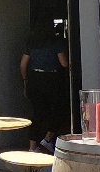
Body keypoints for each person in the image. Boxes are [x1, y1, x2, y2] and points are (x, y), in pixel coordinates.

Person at [20, 20, 70, 153]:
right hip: (51, 79)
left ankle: (32, 147)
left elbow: (23, 64)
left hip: (34, 79)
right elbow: (64, 63)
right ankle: (48, 138)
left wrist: (25, 80)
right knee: (58, 110)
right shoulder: (56, 42)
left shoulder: (31, 43)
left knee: (37, 114)